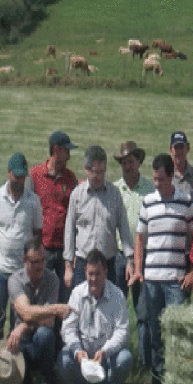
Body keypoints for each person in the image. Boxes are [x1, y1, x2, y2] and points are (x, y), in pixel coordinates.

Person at [132, 153, 193, 384]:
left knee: (177, 333)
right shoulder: (149, 202)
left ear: (171, 176)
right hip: (151, 280)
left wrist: (191, 272)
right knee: (155, 332)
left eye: (161, 179)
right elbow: (139, 237)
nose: (157, 184)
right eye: (155, 179)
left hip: (174, 281)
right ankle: (158, 381)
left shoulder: (185, 201)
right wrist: (139, 269)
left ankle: (178, 380)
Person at [0, 152, 43, 339]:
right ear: (8, 174)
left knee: (19, 318)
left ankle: (14, 360)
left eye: (22, 176)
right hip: (0, 269)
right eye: (16, 176)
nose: (19, 180)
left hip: (21, 271)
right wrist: (0, 247)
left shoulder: (33, 201)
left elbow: (37, 233)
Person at [56, 248, 133, 384]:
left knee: (125, 358)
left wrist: (105, 351)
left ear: (106, 272)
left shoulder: (117, 295)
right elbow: (68, 329)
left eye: (98, 273)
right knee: (63, 360)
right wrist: (78, 351)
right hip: (82, 355)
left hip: (106, 354)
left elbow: (123, 332)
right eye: (90, 274)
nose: (94, 278)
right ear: (85, 272)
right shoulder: (77, 293)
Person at [63, 144, 134, 292]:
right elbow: (69, 231)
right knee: (82, 309)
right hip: (83, 264)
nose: (99, 177)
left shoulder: (114, 195)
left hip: (108, 264)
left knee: (108, 308)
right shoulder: (77, 195)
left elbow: (124, 229)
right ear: (86, 169)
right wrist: (68, 267)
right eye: (95, 172)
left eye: (102, 172)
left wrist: (130, 260)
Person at [6, 239, 71, 384]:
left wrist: (23, 325)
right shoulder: (15, 280)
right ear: (25, 261)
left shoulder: (52, 279)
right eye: (35, 262)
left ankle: (47, 379)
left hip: (36, 335)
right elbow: (25, 312)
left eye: (43, 260)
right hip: (20, 339)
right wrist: (53, 309)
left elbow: (49, 321)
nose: (40, 266)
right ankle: (27, 377)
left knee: (45, 335)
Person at [114, 140, 154, 366]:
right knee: (116, 309)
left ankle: (144, 361)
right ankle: (117, 356)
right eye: (124, 162)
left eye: (131, 161)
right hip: (119, 256)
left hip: (143, 256)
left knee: (143, 311)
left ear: (139, 162)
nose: (128, 166)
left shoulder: (149, 190)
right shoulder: (114, 189)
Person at [29, 130, 78, 294]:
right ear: (56, 150)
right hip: (43, 248)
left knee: (65, 294)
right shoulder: (35, 176)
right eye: (67, 151)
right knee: (41, 293)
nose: (69, 156)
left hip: (65, 250)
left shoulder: (71, 179)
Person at [170, 130, 193, 222]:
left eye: (181, 147)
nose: (179, 151)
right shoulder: (166, 177)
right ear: (171, 150)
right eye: (176, 148)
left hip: (192, 233)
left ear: (188, 148)